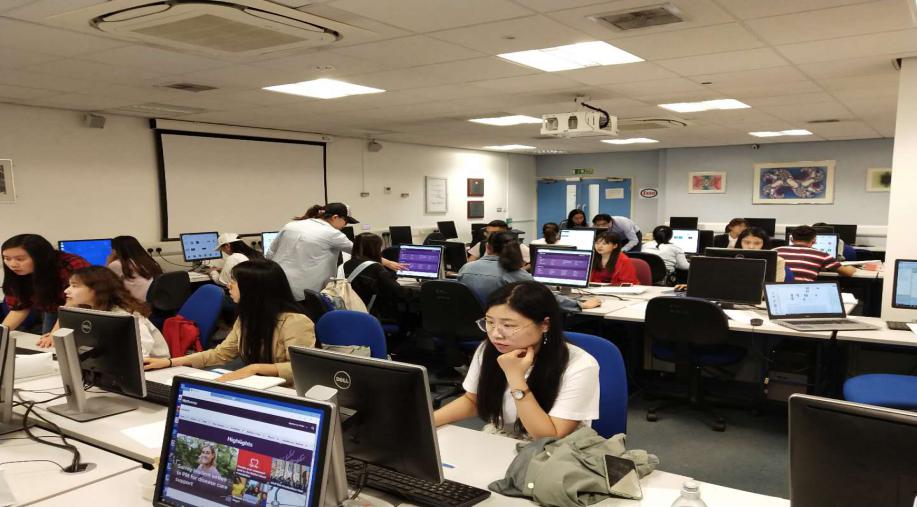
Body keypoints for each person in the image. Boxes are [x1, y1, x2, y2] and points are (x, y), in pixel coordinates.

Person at [433, 281, 600, 439]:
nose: (496, 334)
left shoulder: (580, 365)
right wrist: (428, 422)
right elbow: (472, 400)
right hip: (503, 437)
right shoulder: (489, 349)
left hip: (554, 450)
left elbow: (550, 436)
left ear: (545, 324)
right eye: (490, 322)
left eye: (509, 325)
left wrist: (515, 378)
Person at [144, 259, 316, 385]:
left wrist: (255, 368)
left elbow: (299, 368)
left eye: (233, 282)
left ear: (253, 289)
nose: (228, 286)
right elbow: (220, 354)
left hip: (287, 391)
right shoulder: (247, 317)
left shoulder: (296, 322)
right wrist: (170, 362)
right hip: (256, 385)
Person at [267, 203, 403, 298]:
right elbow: (361, 252)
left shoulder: (291, 225)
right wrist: (390, 263)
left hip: (276, 283)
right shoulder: (331, 233)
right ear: (335, 217)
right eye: (346, 221)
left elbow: (269, 254)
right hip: (305, 292)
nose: (345, 225)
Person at [35, 266, 170, 357]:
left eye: (74, 286)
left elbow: (141, 354)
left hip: (154, 372)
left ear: (97, 289)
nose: (66, 290)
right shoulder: (90, 309)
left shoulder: (124, 315)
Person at [459, 233, 600, 312]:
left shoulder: (466, 268)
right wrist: (580, 305)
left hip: (472, 325)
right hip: (506, 327)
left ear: (487, 247)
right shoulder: (513, 273)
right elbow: (544, 297)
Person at [2, 234, 90, 334]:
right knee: (46, 340)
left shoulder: (70, 265)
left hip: (84, 308)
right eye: (7, 258)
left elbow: (76, 303)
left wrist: (54, 333)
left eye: (20, 259)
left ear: (39, 257)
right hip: (53, 308)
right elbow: (19, 308)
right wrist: (2, 334)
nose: (12, 264)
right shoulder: (17, 274)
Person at [342, 233, 406, 319]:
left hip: (354, 309)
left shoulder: (346, 265)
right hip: (375, 313)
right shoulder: (375, 267)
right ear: (374, 249)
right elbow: (398, 291)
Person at [775, 225, 855, 282]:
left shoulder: (775, 251)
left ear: (791, 239)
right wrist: (852, 268)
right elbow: (848, 273)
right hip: (804, 291)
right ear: (814, 240)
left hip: (775, 291)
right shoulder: (822, 255)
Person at [107, 235, 162, 302]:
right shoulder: (148, 262)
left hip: (138, 304)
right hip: (156, 303)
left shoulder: (117, 264)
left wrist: (109, 262)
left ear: (115, 250)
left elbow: (104, 284)